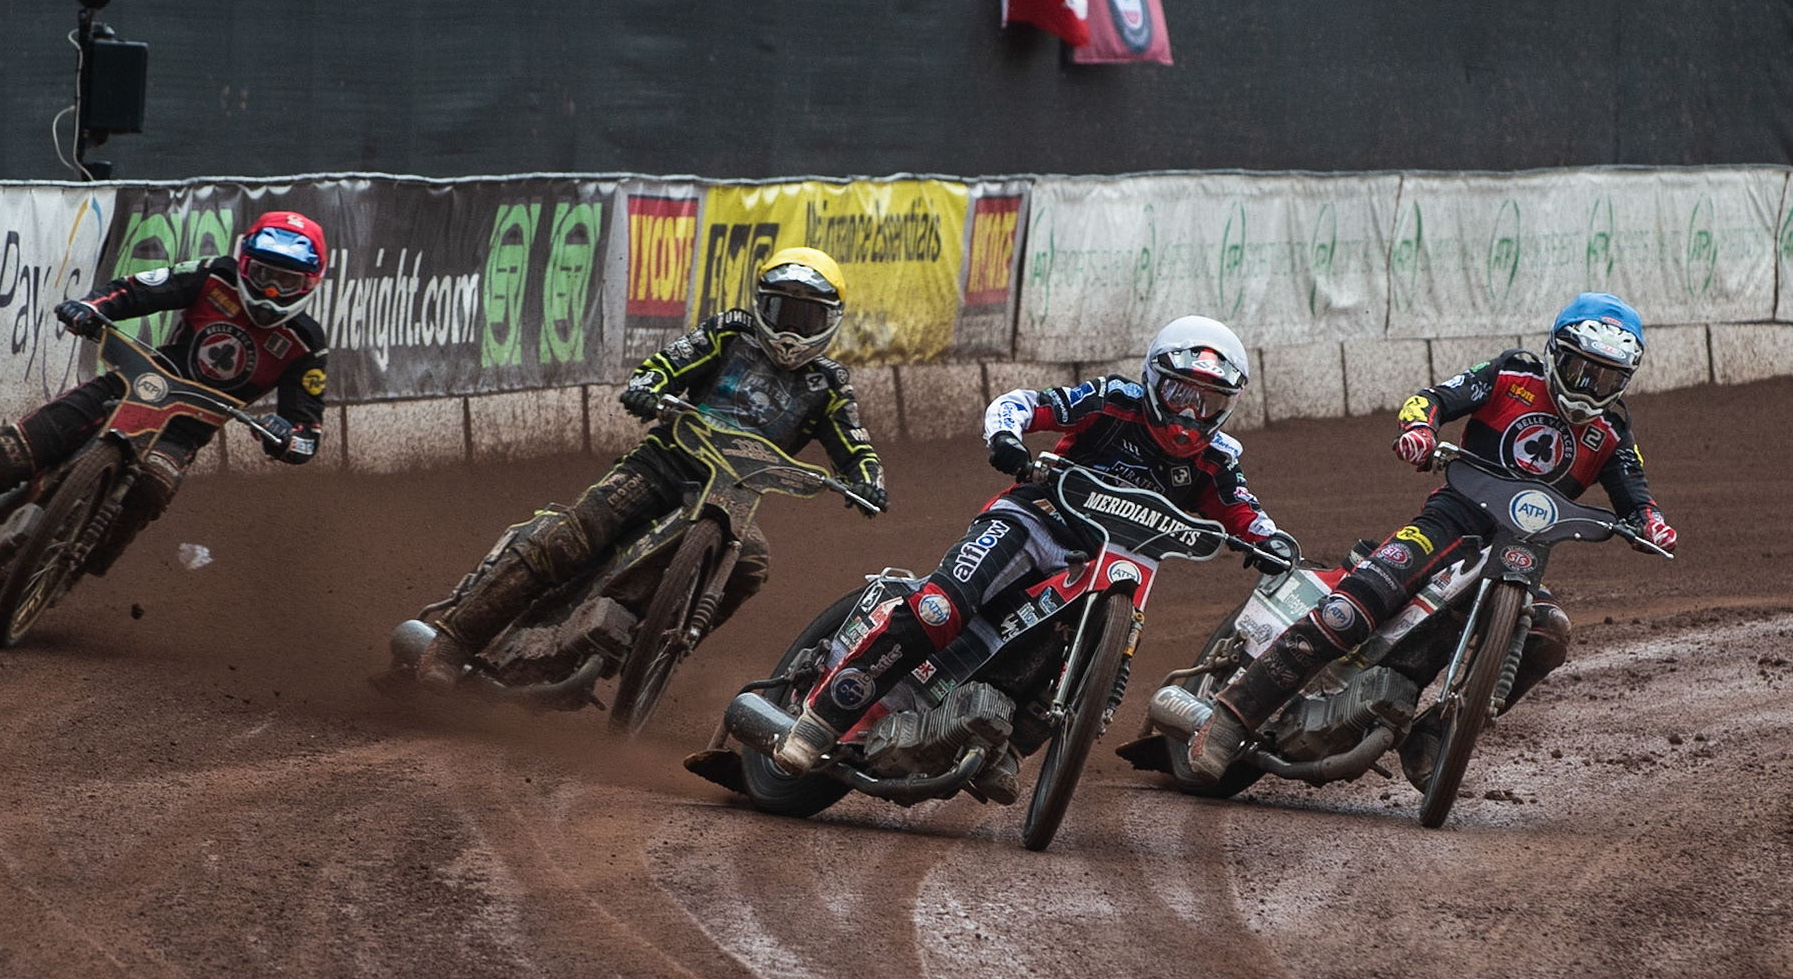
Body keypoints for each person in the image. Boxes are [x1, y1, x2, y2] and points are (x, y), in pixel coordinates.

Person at [771, 315, 1297, 804]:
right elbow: (1022, 403)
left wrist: (1270, 540)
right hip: (1034, 521)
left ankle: (1014, 746)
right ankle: (821, 718)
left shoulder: (1218, 457)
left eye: (1207, 401)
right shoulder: (1113, 398)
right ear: (1155, 380)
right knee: (941, 608)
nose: (1189, 413)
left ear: (1227, 406)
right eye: (1181, 392)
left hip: (1110, 564)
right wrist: (1005, 437)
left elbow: (1243, 510)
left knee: (1104, 664)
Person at [1187, 291, 1677, 791]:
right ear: (1556, 352)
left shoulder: (1612, 429)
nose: (1592, 387)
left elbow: (1636, 495)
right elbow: (1434, 399)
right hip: (1451, 520)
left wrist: (1651, 523)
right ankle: (1232, 717)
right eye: (1582, 370)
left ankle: (1436, 733)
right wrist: (1420, 428)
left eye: (1610, 378)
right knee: (1354, 607)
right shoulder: (1513, 374)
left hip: (1519, 551)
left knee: (1548, 634)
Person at [413, 246, 888, 688]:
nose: (792, 328)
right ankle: (454, 642)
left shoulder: (827, 385)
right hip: (664, 463)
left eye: (807, 316)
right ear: (762, 307)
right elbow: (669, 362)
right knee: (571, 537)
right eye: (784, 311)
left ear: (831, 321)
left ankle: (659, 643)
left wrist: (868, 480)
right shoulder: (731, 333)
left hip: (735, 496)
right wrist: (647, 385)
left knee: (751, 564)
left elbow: (855, 445)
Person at [0, 210, 329, 594]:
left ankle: (70, 569)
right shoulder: (214, 277)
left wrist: (288, 437)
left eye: (285, 281)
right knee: (8, 454)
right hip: (132, 385)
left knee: (151, 485)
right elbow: (139, 289)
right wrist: (92, 307)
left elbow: (306, 429)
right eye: (264, 275)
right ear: (245, 262)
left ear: (310, 283)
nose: (270, 291)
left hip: (184, 429)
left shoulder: (305, 344)